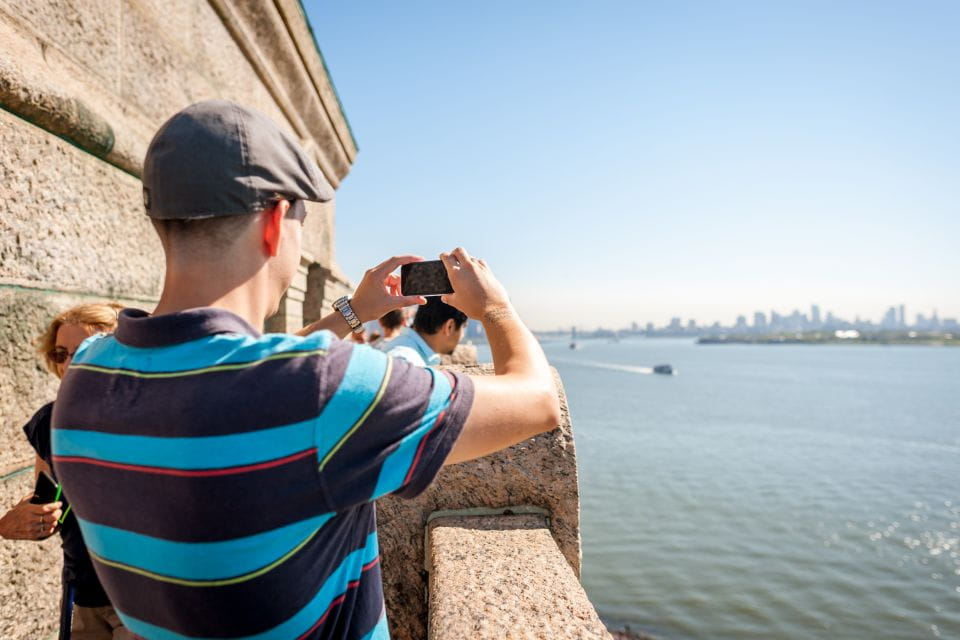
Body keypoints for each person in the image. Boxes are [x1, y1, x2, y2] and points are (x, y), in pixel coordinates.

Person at [51, 100, 559, 640]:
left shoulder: (84, 377)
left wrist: (354, 312)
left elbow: (235, 372)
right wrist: (496, 309)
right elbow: (537, 401)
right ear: (274, 223)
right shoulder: (319, 388)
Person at [0, 302, 131, 639]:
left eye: (86, 349)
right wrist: (20, 519)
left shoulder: (143, 419)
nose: (71, 363)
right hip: (81, 590)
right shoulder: (49, 422)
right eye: (62, 354)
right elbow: (47, 495)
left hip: (139, 596)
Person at [381, 298, 467, 366]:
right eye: (464, 327)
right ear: (449, 326)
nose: (463, 335)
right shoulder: (406, 361)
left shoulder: (407, 352)